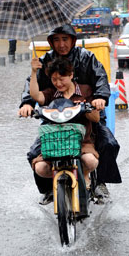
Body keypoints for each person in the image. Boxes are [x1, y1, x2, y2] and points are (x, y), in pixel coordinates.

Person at [18, 24, 121, 204]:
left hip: (87, 112)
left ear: (72, 40)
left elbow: (101, 79)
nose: (61, 44)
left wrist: (99, 99)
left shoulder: (86, 57)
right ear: (51, 42)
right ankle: (49, 189)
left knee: (108, 144)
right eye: (56, 40)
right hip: (56, 116)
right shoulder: (44, 61)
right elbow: (34, 89)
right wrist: (27, 103)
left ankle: (100, 183)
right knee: (34, 153)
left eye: (65, 39)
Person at [30, 56, 100, 188]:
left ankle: (85, 175)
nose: (58, 83)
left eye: (61, 79)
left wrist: (86, 107)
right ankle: (56, 186)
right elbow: (36, 96)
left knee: (90, 161)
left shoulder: (85, 91)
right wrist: (34, 72)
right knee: (40, 168)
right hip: (55, 142)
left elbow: (96, 118)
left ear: (71, 75)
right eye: (54, 79)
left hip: (82, 142)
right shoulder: (52, 93)